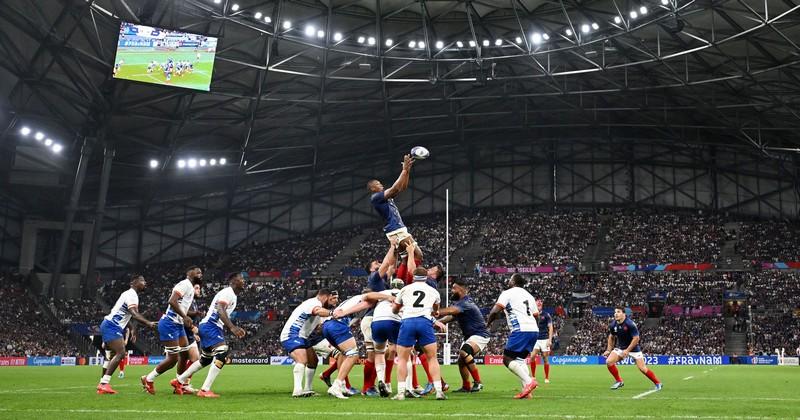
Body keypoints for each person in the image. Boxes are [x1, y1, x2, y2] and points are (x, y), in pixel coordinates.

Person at [171, 273, 247, 398]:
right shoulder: (228, 292)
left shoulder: (232, 295)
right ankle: (205, 390)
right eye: (241, 279)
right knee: (222, 352)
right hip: (210, 326)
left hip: (210, 326)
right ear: (233, 281)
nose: (244, 281)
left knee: (205, 360)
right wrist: (232, 327)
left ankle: (179, 381)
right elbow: (220, 309)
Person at [141, 266, 203, 395]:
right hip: (169, 323)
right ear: (189, 273)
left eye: (201, 272)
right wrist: (185, 316)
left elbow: (182, 306)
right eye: (197, 272)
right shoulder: (184, 284)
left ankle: (180, 383)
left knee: (185, 354)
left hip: (178, 325)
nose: (200, 274)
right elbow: (172, 301)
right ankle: (148, 379)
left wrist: (187, 320)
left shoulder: (191, 288)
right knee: (173, 359)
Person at [324, 291, 395, 399]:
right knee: (354, 354)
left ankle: (342, 386)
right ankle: (336, 386)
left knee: (344, 354)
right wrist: (388, 297)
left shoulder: (357, 304)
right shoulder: (365, 300)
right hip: (338, 324)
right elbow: (368, 297)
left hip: (329, 325)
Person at [391, 266, 446, 401]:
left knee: (403, 359)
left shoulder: (405, 289)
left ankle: (401, 393)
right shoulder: (433, 291)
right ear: (426, 277)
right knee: (432, 358)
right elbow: (436, 309)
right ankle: (439, 390)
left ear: (413, 277)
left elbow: (395, 309)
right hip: (424, 323)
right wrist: (435, 312)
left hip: (408, 322)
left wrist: (399, 309)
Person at [96, 275, 157, 394]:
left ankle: (102, 384)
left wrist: (132, 327)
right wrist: (148, 323)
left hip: (110, 324)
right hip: (111, 326)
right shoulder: (131, 295)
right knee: (121, 352)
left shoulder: (128, 294)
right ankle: (103, 384)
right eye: (142, 280)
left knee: (112, 356)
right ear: (134, 282)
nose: (145, 283)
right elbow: (133, 313)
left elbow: (124, 314)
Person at [367, 154, 422, 282]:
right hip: (396, 230)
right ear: (372, 188)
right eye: (378, 184)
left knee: (406, 259)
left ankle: (401, 282)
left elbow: (402, 187)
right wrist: (404, 170)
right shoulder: (376, 197)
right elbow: (395, 188)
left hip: (397, 229)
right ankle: (411, 283)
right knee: (417, 254)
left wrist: (407, 171)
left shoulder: (386, 197)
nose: (381, 185)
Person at [486, 273, 539, 399]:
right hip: (533, 330)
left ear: (513, 281)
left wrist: (487, 324)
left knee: (507, 359)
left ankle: (529, 381)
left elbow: (495, 311)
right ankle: (527, 391)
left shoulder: (507, 293)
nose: (508, 281)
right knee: (520, 360)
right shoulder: (529, 295)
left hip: (521, 329)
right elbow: (537, 315)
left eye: (510, 279)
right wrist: (532, 329)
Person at [279, 289, 337, 397]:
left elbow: (318, 325)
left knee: (313, 361)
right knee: (302, 359)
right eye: (330, 299)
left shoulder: (315, 305)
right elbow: (317, 311)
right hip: (292, 334)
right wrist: (333, 313)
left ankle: (307, 389)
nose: (332, 302)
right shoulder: (315, 303)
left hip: (303, 337)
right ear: (325, 297)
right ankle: (297, 391)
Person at [436, 279, 489, 393]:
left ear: (461, 289)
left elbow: (451, 311)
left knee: (464, 352)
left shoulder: (466, 303)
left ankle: (478, 383)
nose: (451, 290)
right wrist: (437, 323)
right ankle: (466, 386)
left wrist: (434, 311)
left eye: (454, 288)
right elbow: (450, 317)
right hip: (472, 336)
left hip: (480, 335)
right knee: (461, 361)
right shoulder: (461, 305)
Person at [361, 240, 398, 396]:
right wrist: (392, 246)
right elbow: (385, 266)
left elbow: (392, 266)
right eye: (376, 263)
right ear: (371, 268)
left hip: (379, 318)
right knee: (373, 355)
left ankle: (383, 382)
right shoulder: (374, 278)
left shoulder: (382, 282)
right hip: (370, 319)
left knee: (390, 351)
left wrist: (396, 251)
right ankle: (367, 388)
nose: (379, 263)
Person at [603, 307, 662, 391]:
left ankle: (658, 383)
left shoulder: (630, 324)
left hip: (634, 349)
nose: (616, 314)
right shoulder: (613, 325)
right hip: (621, 348)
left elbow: (636, 338)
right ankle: (619, 381)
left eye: (618, 312)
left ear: (624, 314)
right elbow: (611, 336)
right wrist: (608, 350)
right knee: (609, 361)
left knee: (642, 368)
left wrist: (627, 350)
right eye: (615, 312)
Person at [372, 278, 405, 397]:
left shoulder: (384, 293)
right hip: (394, 321)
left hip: (377, 321)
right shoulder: (404, 293)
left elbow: (367, 296)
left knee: (379, 353)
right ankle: (393, 383)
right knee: (400, 353)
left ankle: (381, 380)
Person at [531, 299, 554, 384]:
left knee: (545, 358)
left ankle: (546, 377)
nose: (539, 302)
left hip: (544, 339)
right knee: (532, 357)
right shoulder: (532, 314)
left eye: (541, 301)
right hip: (535, 339)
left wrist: (550, 340)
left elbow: (550, 327)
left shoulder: (546, 315)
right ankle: (533, 377)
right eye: (537, 301)